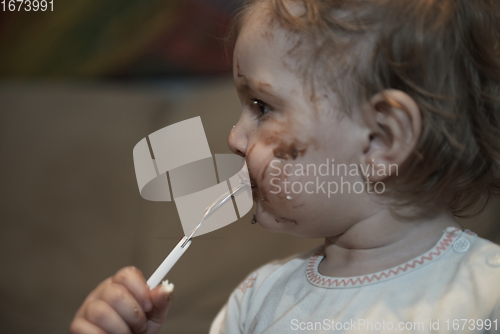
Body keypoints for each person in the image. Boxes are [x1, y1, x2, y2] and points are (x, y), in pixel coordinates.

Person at [71, 0, 500, 333]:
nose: (234, 138)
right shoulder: (258, 301)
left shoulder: (486, 295)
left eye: (262, 107)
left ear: (380, 140)